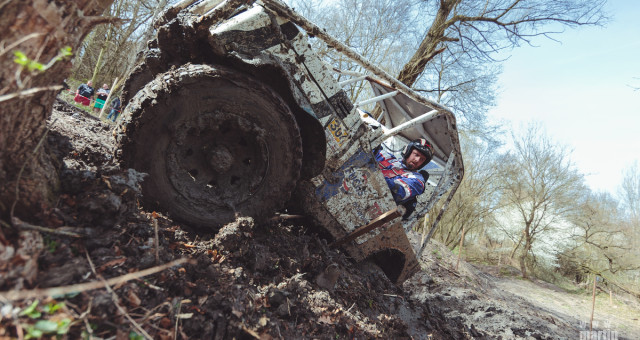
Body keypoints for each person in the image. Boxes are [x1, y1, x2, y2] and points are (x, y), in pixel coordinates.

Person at [375, 138, 434, 219]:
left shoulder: (417, 181)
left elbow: (396, 191)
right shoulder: (387, 157)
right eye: (416, 154)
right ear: (408, 151)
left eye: (422, 159)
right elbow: (364, 151)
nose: (417, 160)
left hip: (374, 208)